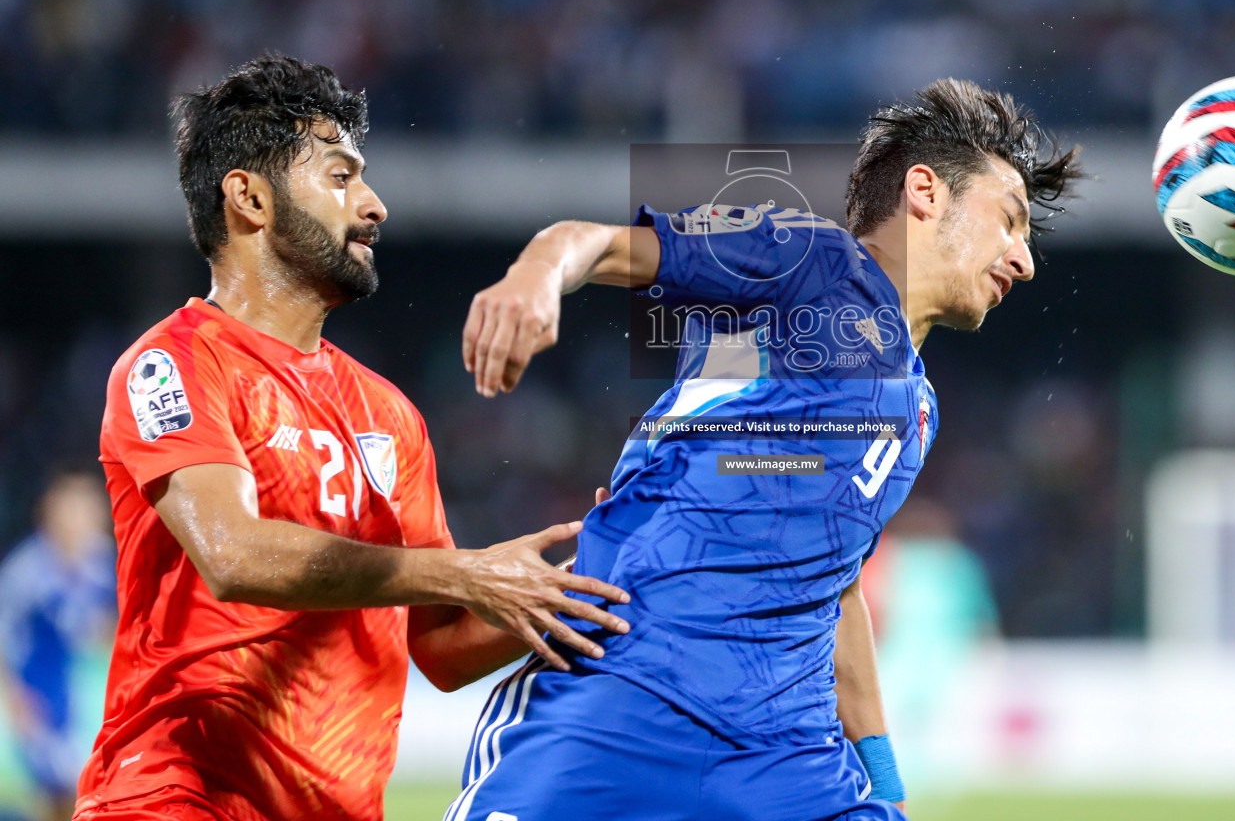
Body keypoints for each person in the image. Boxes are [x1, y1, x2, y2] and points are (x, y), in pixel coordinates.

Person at [454, 78, 1082, 820]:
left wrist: (883, 783)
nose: (1024, 259)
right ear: (926, 191)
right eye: (1010, 222)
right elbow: (592, 244)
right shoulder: (810, 262)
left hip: (786, 759)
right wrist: (535, 279)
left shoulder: (917, 411)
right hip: (623, 708)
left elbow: (837, 586)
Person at [77, 54, 631, 821]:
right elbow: (232, 554)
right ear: (250, 198)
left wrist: (587, 577)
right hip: (177, 797)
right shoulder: (171, 364)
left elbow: (437, 648)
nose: (374, 206)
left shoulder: (388, 413)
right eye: (341, 177)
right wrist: (463, 573)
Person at [0, 470, 116, 821]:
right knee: (56, 793)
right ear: (49, 512)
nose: (80, 517)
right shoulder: (26, 571)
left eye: (87, 507)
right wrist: (16, 701)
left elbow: (107, 629)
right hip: (39, 697)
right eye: (71, 507)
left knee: (90, 790)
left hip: (89, 696)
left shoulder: (102, 561)